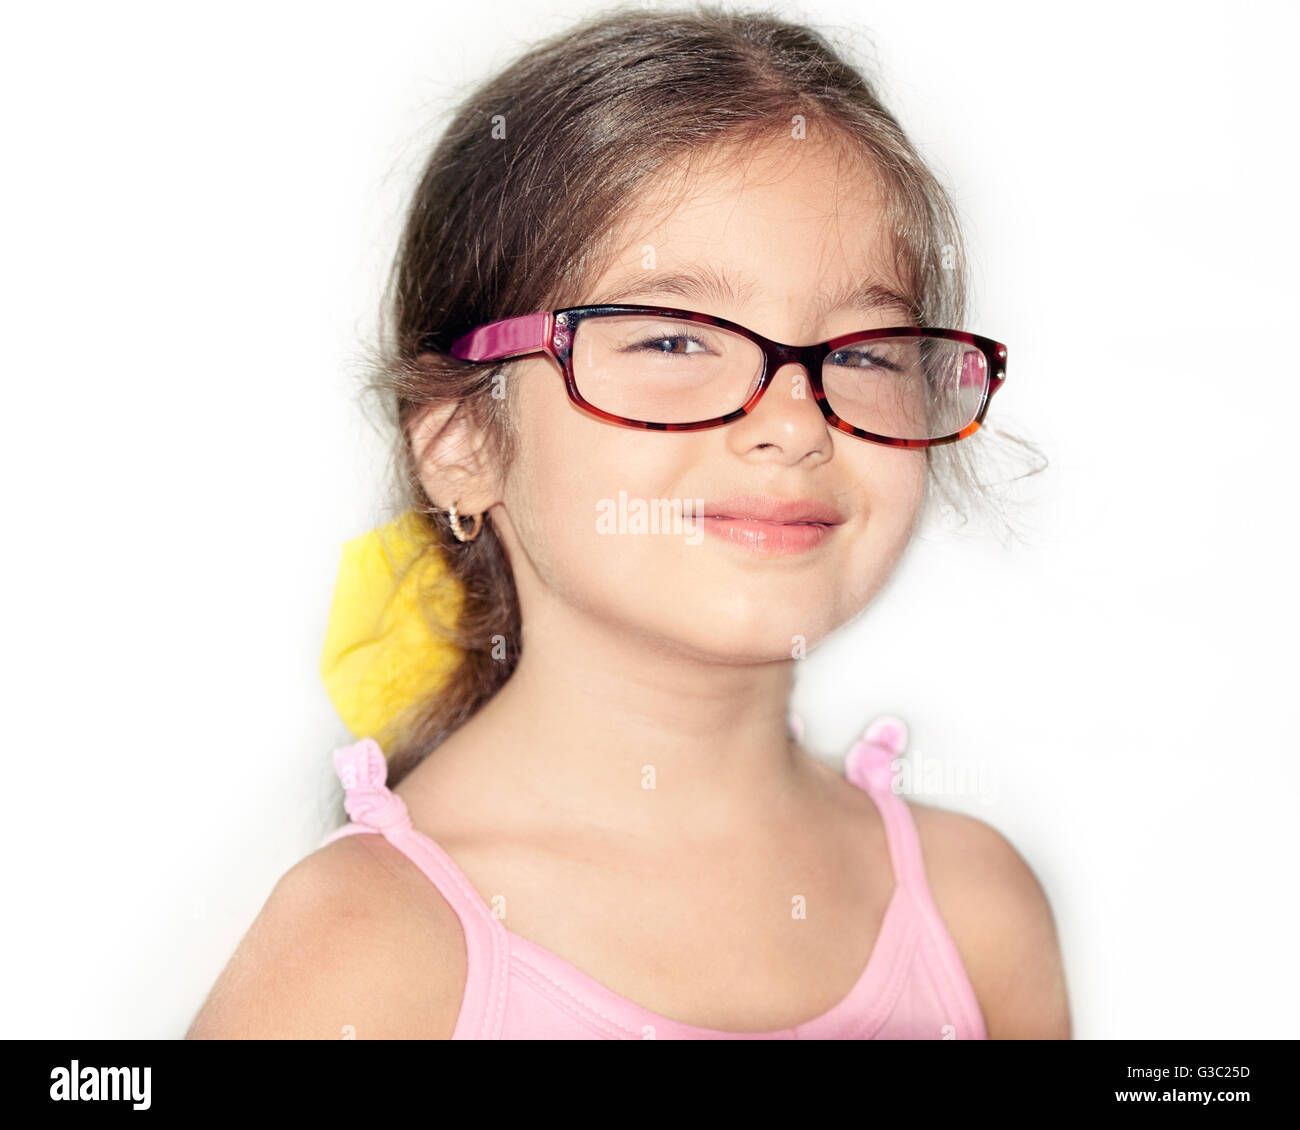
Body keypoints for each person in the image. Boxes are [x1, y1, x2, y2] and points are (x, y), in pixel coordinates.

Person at [187, 5, 1069, 1040]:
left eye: (866, 352)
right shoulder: (371, 948)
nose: (791, 422)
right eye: (669, 340)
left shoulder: (977, 914)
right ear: (460, 437)